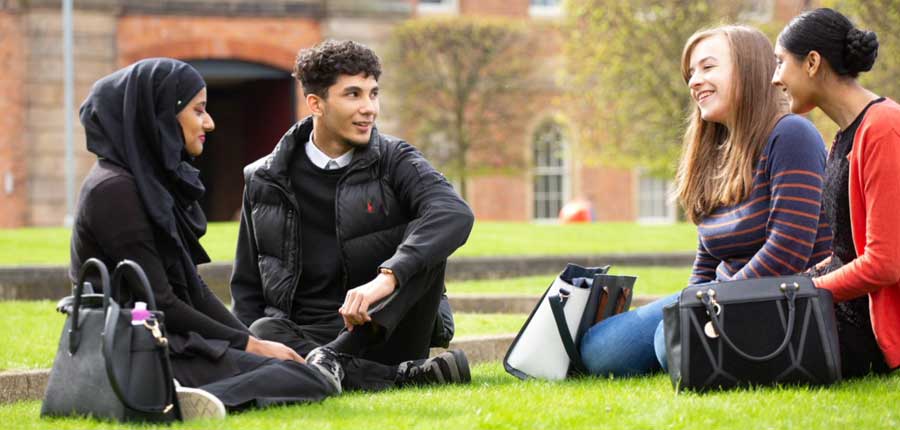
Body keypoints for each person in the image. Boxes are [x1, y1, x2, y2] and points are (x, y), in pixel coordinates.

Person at [69, 58, 450, 422]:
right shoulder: (115, 190)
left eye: (373, 94)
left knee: (290, 365)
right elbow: (160, 300)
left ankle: (203, 389)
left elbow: (193, 289)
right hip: (137, 341)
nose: (210, 122)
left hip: (174, 336)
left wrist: (245, 341)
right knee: (297, 372)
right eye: (199, 110)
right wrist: (250, 343)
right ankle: (190, 393)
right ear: (160, 115)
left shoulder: (144, 187)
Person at [578, 25, 832, 377]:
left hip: (777, 301)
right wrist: (696, 301)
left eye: (708, 68)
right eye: (691, 73)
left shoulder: (792, 135)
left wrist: (712, 304)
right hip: (720, 295)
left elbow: (789, 249)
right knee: (598, 350)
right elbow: (709, 256)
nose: (694, 81)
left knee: (671, 347)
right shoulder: (713, 151)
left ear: (748, 70)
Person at [230, 40, 475, 392]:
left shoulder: (396, 159)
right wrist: (251, 351)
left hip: (388, 327)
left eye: (373, 94)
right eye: (353, 95)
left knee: (427, 241)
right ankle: (397, 378)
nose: (369, 108)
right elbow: (248, 288)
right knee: (263, 330)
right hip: (307, 334)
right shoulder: (265, 178)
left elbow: (454, 213)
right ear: (316, 103)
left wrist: (387, 277)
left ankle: (335, 360)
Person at [772, 8, 900, 376]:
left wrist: (804, 291)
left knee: (751, 348)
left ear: (812, 62)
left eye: (780, 63)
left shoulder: (883, 128)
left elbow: (884, 264)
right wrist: (794, 283)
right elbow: (844, 251)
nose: (775, 78)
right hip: (842, 308)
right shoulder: (844, 138)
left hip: (870, 325)